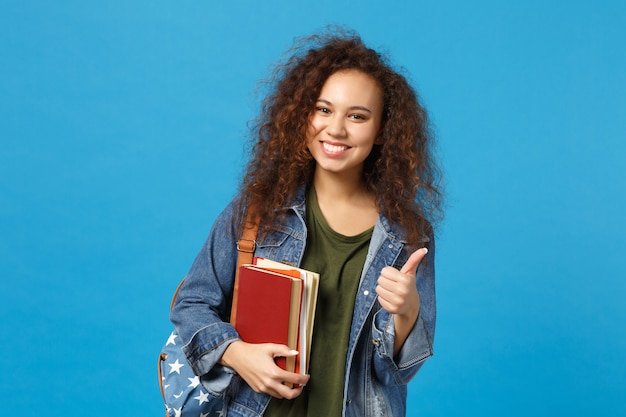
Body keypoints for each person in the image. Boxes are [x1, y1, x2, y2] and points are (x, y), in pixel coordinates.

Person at [170, 28, 443, 417]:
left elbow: (396, 371)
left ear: (382, 130)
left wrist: (407, 310)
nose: (336, 129)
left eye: (358, 116)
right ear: (303, 115)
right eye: (323, 109)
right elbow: (192, 303)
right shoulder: (257, 210)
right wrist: (238, 354)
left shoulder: (407, 236)